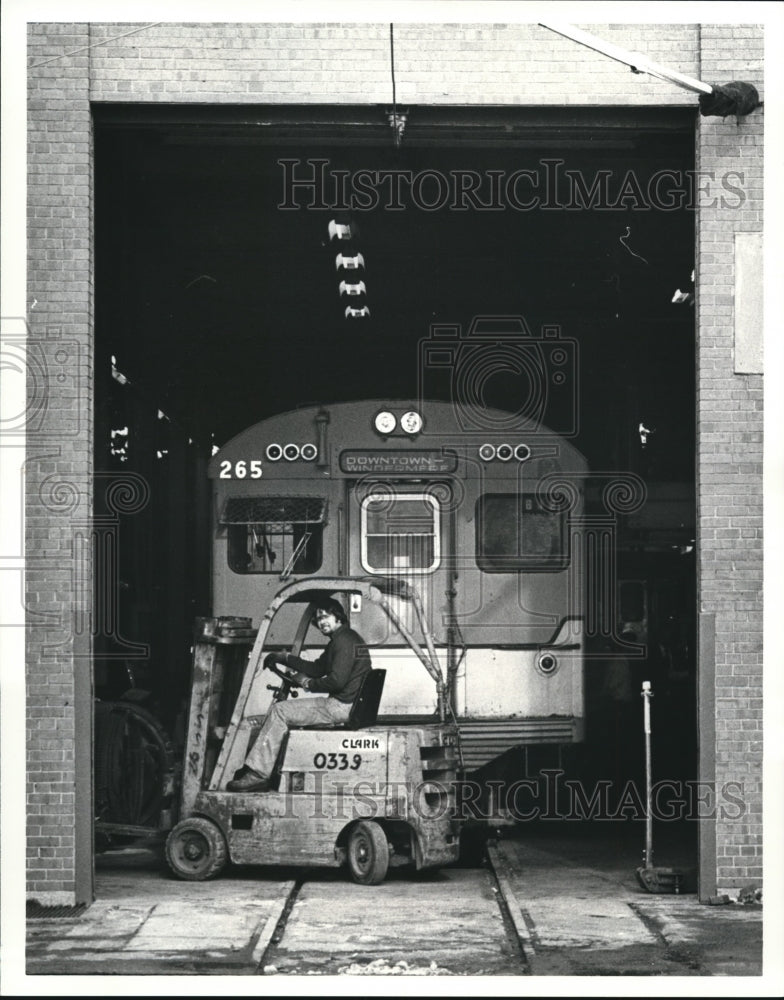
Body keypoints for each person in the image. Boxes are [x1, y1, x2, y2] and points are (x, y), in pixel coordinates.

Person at [227, 597, 371, 792]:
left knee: (279, 711)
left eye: (326, 616)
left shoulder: (343, 641)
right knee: (284, 712)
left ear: (338, 617)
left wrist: (308, 684)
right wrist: (285, 658)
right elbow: (316, 668)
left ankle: (258, 774)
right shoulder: (344, 639)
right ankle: (267, 769)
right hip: (349, 704)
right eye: (319, 619)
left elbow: (337, 680)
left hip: (340, 706)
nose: (322, 622)